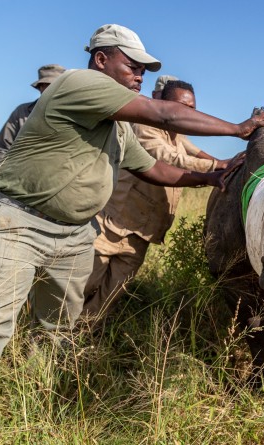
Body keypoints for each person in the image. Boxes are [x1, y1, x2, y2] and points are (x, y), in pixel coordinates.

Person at [0, 23, 264, 416]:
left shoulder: (117, 125)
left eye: (145, 70)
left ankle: (35, 399)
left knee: (59, 327)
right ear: (101, 59)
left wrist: (208, 177)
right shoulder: (79, 84)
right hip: (19, 224)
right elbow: (163, 113)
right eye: (133, 66)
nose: (140, 76)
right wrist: (237, 129)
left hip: (73, 234)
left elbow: (151, 168)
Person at [82, 79, 232, 319]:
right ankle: (44, 334)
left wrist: (225, 164)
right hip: (112, 226)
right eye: (181, 107)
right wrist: (216, 166)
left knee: (109, 296)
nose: (187, 113)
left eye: (192, 109)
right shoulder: (145, 128)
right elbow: (168, 157)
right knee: (83, 285)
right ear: (163, 105)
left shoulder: (177, 135)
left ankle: (78, 340)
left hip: (141, 235)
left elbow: (191, 149)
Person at [0, 64, 66, 170]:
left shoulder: (73, 114)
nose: (49, 90)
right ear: (40, 87)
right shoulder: (22, 112)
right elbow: (2, 147)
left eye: (54, 85)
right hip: (20, 176)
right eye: (45, 85)